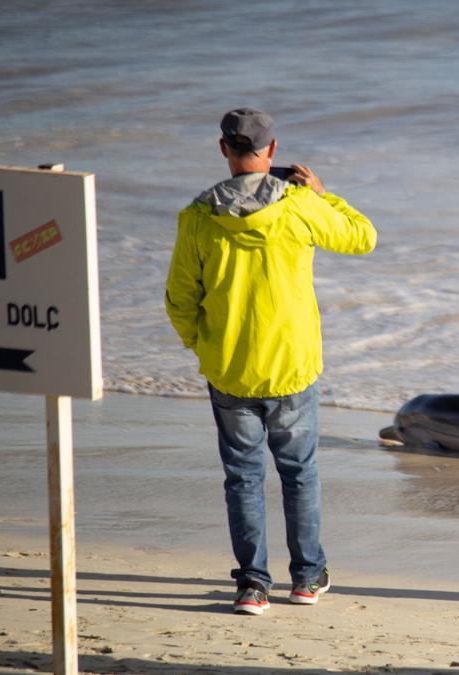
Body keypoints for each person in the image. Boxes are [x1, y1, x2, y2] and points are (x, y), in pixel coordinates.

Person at [165, 108, 377, 615]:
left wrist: (207, 347)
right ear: (272, 150)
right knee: (299, 473)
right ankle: (306, 578)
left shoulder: (198, 216)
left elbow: (179, 301)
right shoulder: (300, 205)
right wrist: (325, 195)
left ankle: (253, 586)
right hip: (292, 367)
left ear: (223, 150)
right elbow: (363, 236)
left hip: (230, 370)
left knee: (243, 477)